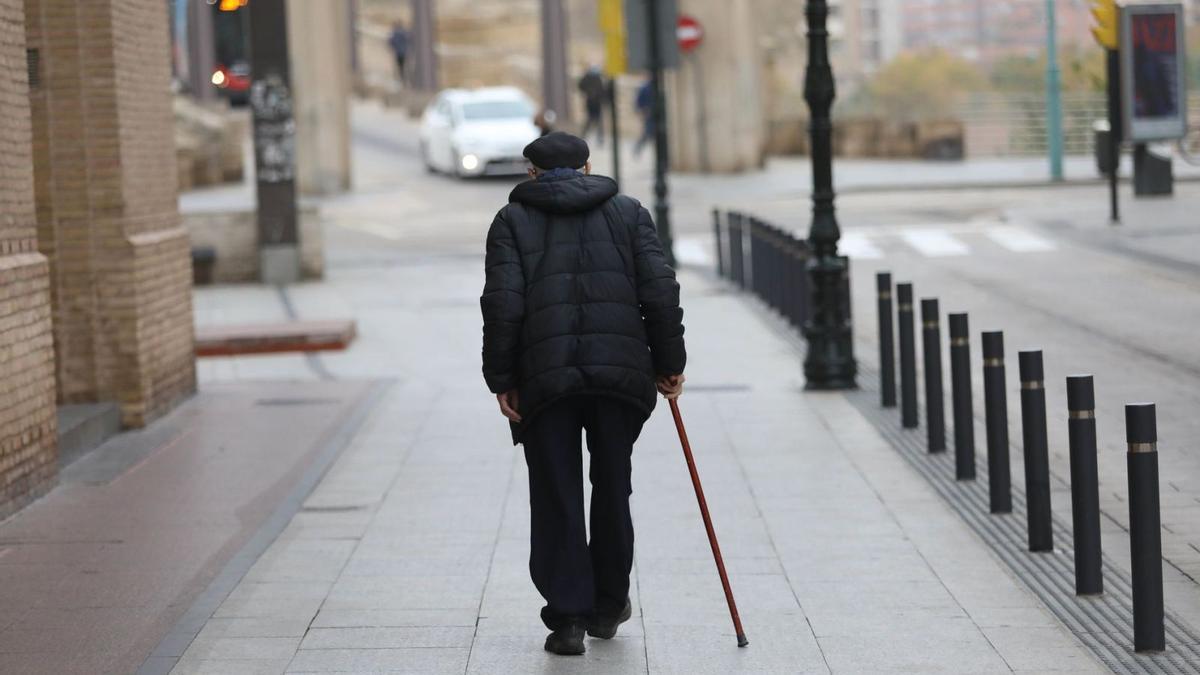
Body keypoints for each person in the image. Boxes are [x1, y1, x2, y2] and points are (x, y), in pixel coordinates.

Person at [480, 132, 686, 656]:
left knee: (556, 491)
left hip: (543, 379)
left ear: (530, 173)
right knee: (613, 485)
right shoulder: (628, 212)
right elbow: (659, 291)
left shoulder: (511, 221)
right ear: (588, 165)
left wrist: (501, 378)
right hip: (619, 376)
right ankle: (609, 603)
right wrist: (669, 364)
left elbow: (502, 305)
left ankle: (568, 619)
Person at [577, 66, 607, 145]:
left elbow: (602, 91)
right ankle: (585, 136)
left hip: (596, 102)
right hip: (592, 102)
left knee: (596, 121)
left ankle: (598, 138)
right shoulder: (590, 78)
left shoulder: (596, 79)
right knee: (591, 120)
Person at [634, 77, 654, 157]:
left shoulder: (648, 86)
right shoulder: (645, 87)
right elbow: (638, 101)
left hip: (653, 113)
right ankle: (638, 148)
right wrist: (642, 111)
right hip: (648, 113)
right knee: (647, 132)